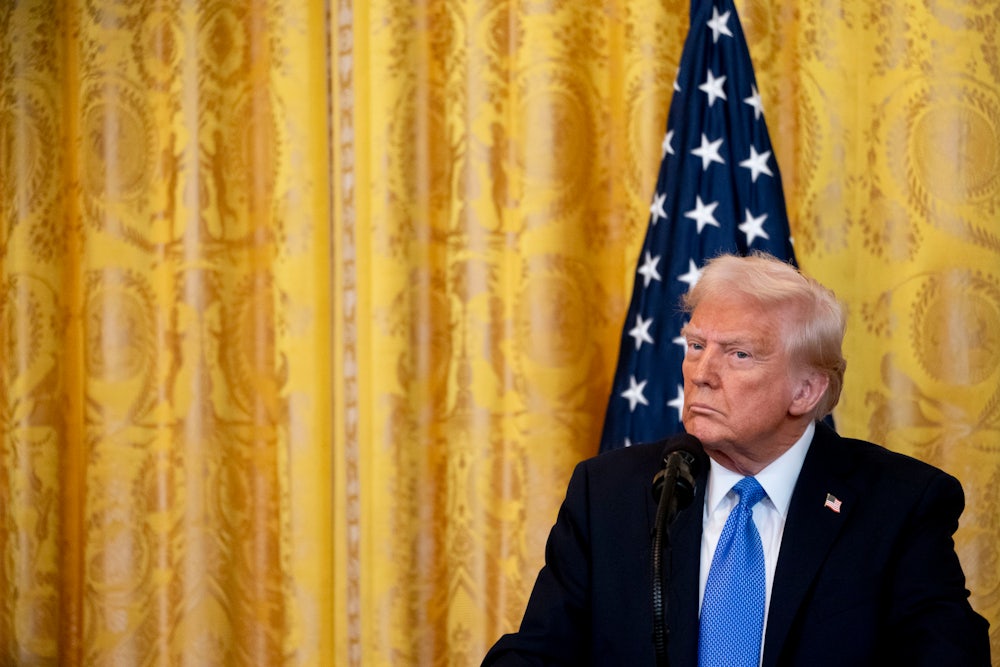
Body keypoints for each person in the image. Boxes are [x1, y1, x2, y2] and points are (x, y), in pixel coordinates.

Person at [482, 253, 991, 666]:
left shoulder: (900, 504)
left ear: (806, 390)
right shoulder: (609, 492)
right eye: (696, 345)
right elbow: (538, 654)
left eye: (738, 354)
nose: (701, 372)